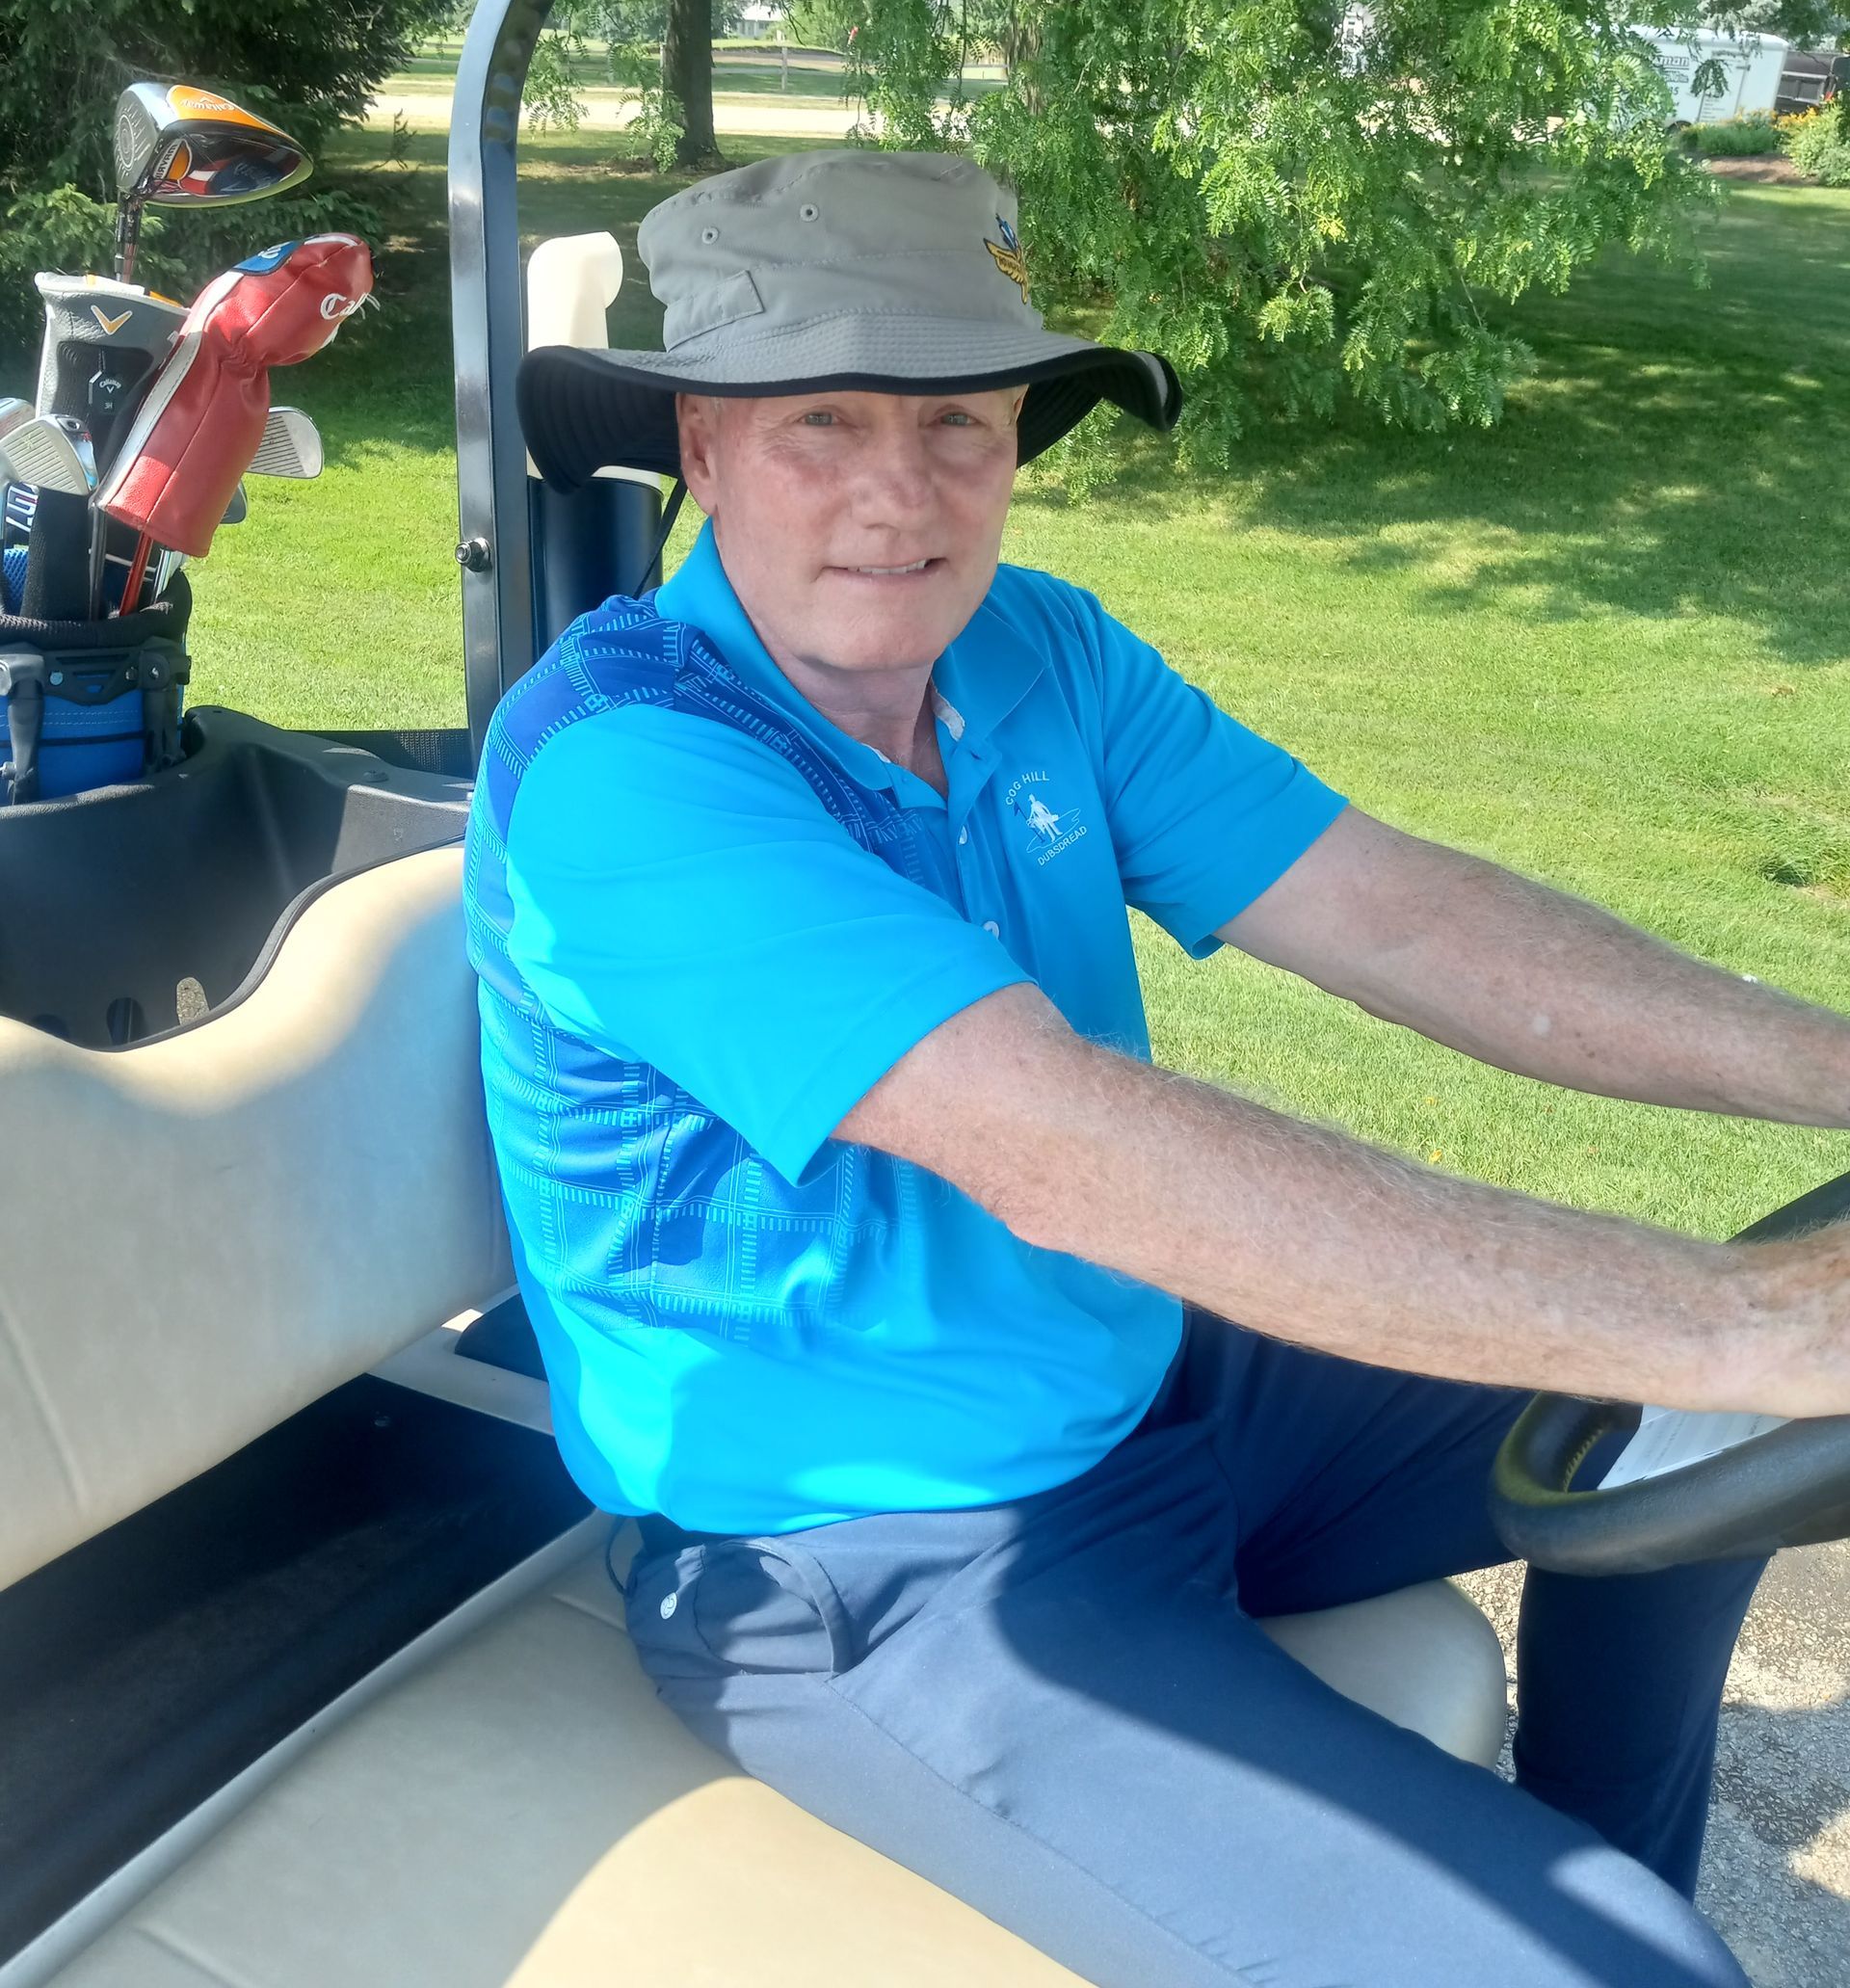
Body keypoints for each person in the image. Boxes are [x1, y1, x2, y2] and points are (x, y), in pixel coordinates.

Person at [465, 149, 1850, 1988]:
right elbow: (1068, 1149)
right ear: (704, 446)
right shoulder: (628, 767)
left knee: (1707, 1443)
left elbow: (1402, 915)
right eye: (822, 420)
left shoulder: (1034, 649)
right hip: (878, 1563)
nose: (904, 495)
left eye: (960, 421)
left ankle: (1600, 1862)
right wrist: (1738, 1312)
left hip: (1156, 1379)